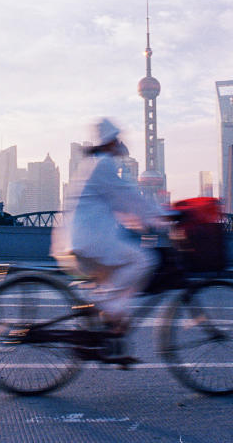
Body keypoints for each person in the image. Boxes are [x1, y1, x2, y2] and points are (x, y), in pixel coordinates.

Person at [51, 118, 165, 334]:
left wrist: (141, 221)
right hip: (91, 241)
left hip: (80, 240)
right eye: (115, 140)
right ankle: (107, 309)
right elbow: (128, 197)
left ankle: (102, 333)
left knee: (113, 282)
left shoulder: (91, 165)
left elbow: (118, 204)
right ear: (109, 143)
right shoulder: (102, 165)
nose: (118, 143)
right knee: (144, 260)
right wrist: (162, 216)